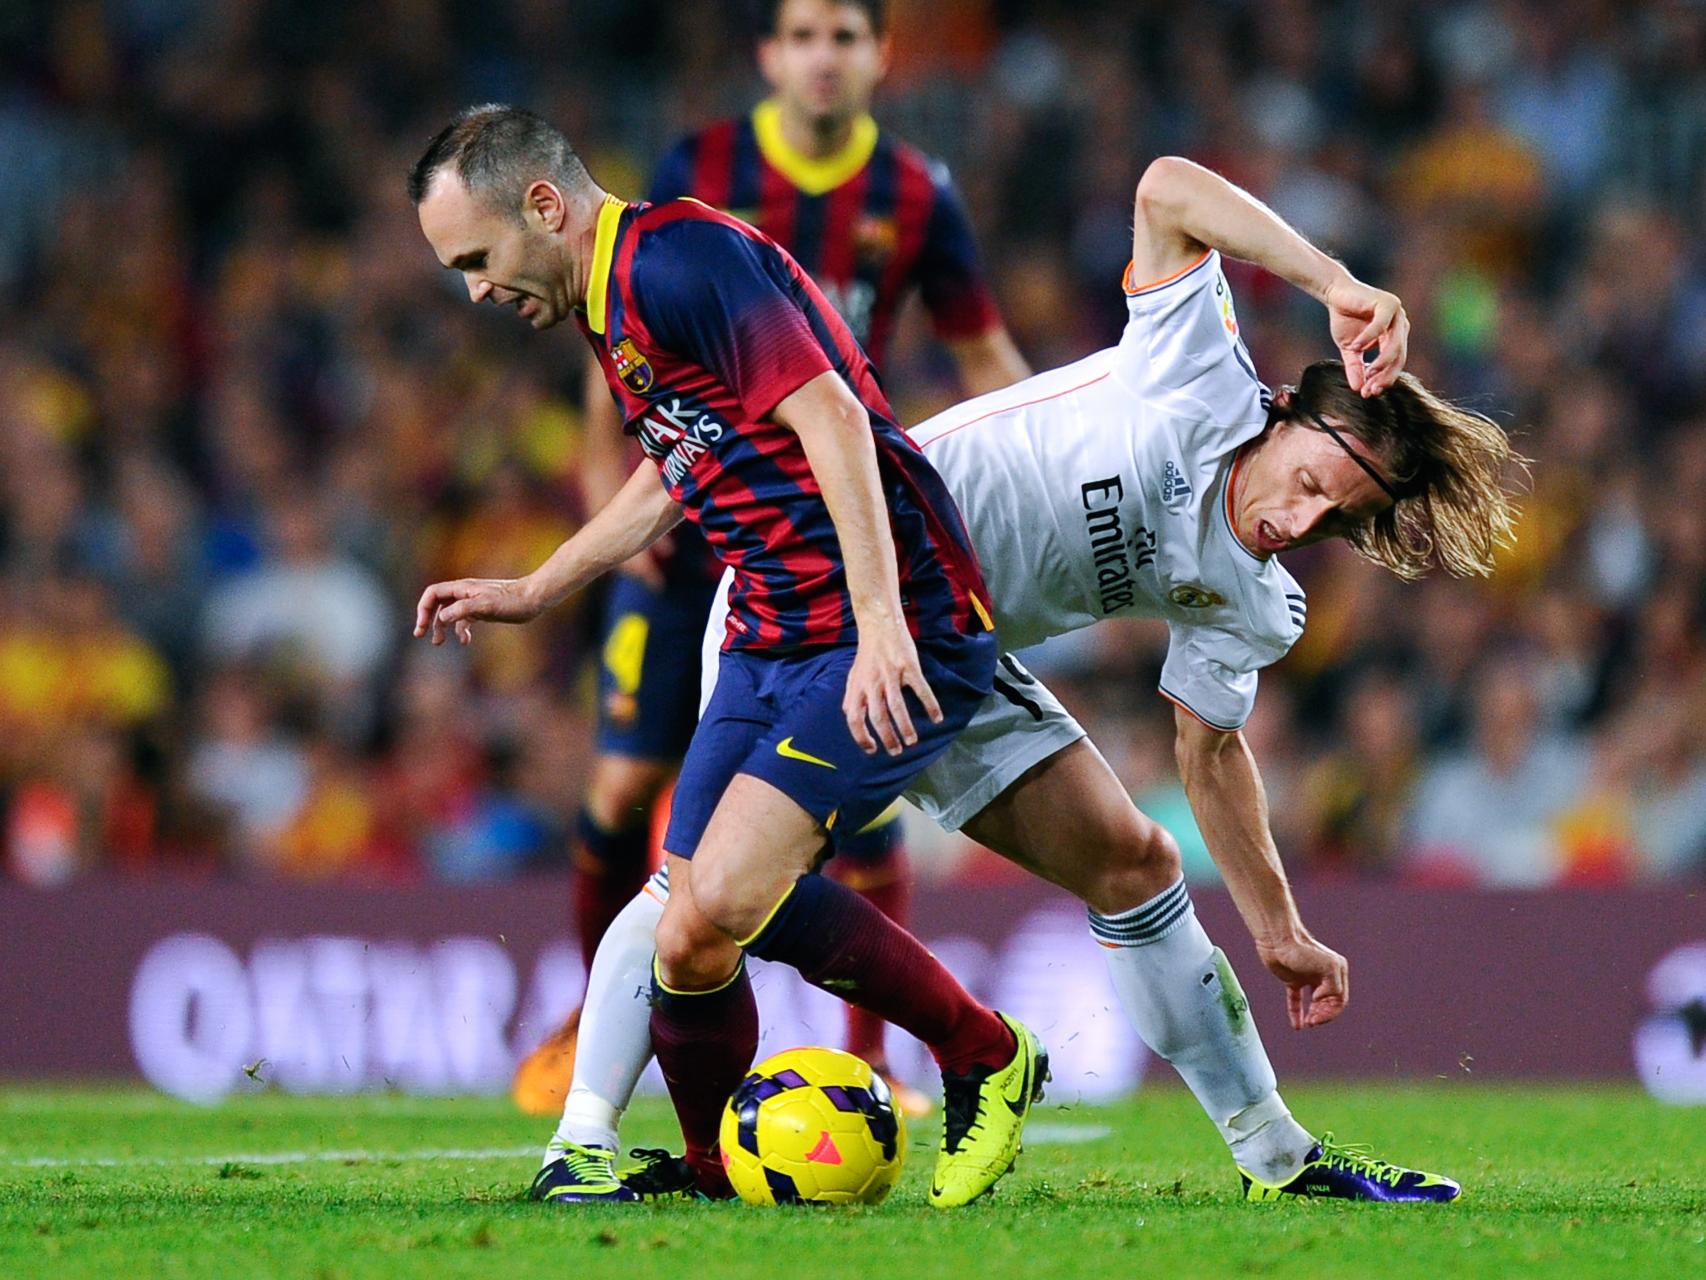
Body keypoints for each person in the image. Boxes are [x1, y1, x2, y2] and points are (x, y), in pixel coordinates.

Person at [538, 156, 1522, 1205]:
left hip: (951, 648)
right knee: (702, 897)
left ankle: (1277, 1158)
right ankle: (586, 1136)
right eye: (1316, 483)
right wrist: (1333, 282)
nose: (1304, 521)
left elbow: (1208, 748)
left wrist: (1275, 925)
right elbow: (1161, 186)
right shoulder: (1195, 372)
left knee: (1134, 861)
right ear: (1287, 413)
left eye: (1341, 522)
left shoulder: (1257, 597)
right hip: (826, 590)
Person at [408, 104, 1045, 1209]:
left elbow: (836, 420)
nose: (473, 290)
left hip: (883, 621)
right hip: (768, 628)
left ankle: (985, 1052)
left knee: (723, 897)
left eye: (475, 257)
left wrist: (881, 620)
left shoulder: (677, 260)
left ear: (544, 207)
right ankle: (711, 1169)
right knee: (689, 933)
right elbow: (674, 466)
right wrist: (535, 586)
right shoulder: (607, 302)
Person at [513, 0, 1029, 1119]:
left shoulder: (913, 193)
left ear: (880, 56)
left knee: (811, 828)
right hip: (697, 535)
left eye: (845, 35)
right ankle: (589, 1011)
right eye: (802, 34)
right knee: (628, 802)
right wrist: (587, 542)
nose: (823, 57)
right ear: (767, 55)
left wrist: (1025, 497)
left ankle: (886, 1047)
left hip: (840, 535)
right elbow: (637, 383)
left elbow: (968, 353)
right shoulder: (690, 178)